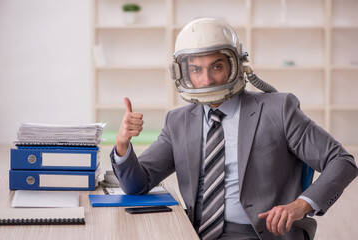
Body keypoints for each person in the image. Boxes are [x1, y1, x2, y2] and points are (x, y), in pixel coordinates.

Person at [111, 18, 357, 240]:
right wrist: (122, 144)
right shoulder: (178, 121)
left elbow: (342, 160)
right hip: (194, 232)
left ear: (237, 65)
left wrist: (300, 205)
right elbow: (138, 185)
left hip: (260, 234)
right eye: (196, 70)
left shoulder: (278, 108)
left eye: (216, 67)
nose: (206, 80)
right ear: (183, 73)